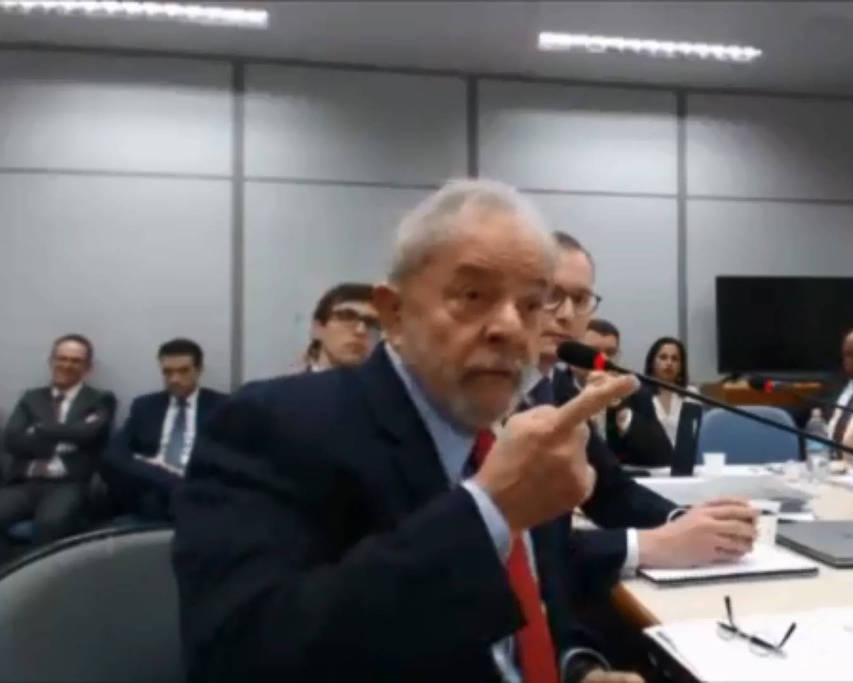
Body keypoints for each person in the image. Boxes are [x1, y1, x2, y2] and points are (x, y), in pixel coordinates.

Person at [172, 179, 644, 682]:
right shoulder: (274, 426)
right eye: (473, 295)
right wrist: (487, 512)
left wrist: (578, 670)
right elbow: (240, 658)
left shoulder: (519, 431)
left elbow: (533, 615)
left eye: (531, 305)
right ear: (393, 312)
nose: (510, 328)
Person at [539, 232, 756, 583]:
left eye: (580, 299)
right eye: (551, 294)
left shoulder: (555, 387)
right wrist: (653, 545)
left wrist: (685, 520)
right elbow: (529, 548)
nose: (565, 314)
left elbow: (611, 490)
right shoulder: (494, 393)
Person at [0, 334, 116, 558]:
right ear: (51, 361)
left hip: (68, 484)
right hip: (25, 481)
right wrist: (66, 438)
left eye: (75, 361)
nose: (67, 365)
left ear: (88, 367)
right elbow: (12, 440)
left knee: (51, 524)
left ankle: (39, 578)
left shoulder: (101, 399)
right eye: (62, 358)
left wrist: (38, 429)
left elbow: (87, 435)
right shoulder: (31, 398)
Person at [101, 339, 227, 521]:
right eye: (168, 372)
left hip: (201, 489)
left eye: (183, 371)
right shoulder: (145, 406)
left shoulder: (221, 406)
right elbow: (115, 454)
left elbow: (231, 457)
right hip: (155, 489)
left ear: (199, 370)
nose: (174, 379)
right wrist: (162, 476)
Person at [603, 337, 700, 468]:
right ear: (652, 362)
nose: (669, 363)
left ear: (681, 366)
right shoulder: (638, 394)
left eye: (675, 359)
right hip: (649, 464)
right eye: (663, 357)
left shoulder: (691, 394)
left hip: (684, 464)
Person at [305, 282, 380, 371]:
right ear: (318, 328)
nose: (361, 330)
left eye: (372, 323)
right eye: (347, 317)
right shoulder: (293, 380)